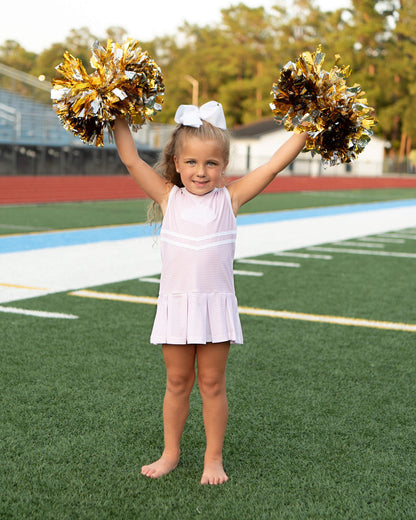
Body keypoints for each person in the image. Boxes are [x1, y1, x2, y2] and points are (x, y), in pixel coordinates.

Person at [113, 101, 307, 485]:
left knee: (213, 384)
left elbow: (272, 165)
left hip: (215, 308)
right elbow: (133, 160)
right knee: (177, 383)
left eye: (212, 164)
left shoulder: (229, 200)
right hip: (176, 308)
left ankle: (213, 458)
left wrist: (309, 126)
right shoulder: (169, 198)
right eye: (192, 163)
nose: (201, 173)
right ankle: (171, 453)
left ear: (224, 166)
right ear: (177, 162)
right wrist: (115, 111)